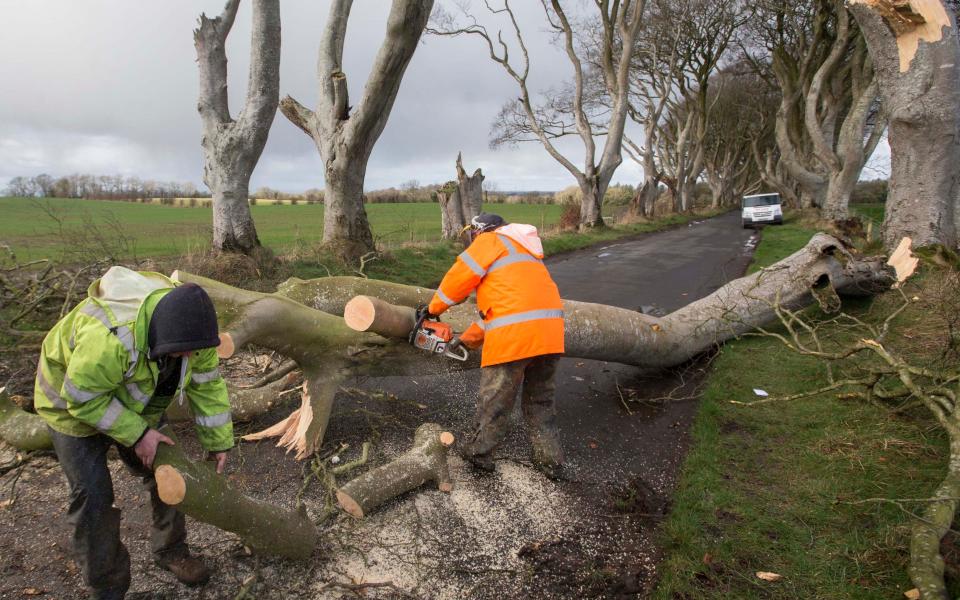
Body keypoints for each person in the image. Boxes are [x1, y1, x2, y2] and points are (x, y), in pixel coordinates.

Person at [34, 266, 234, 600]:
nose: (189, 356)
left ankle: (171, 550)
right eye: (181, 350)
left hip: (133, 398)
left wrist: (218, 443)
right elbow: (82, 399)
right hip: (72, 403)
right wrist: (139, 433)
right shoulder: (112, 337)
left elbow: (208, 385)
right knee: (93, 497)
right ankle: (108, 586)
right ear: (160, 334)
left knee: (170, 471)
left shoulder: (195, 332)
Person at [426, 213, 565, 477]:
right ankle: (550, 461)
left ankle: (479, 454)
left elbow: (458, 279)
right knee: (541, 402)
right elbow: (501, 312)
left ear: (479, 231)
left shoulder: (489, 241)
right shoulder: (524, 250)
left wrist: (432, 309)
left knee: (495, 401)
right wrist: (466, 340)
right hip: (550, 336)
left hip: (515, 339)